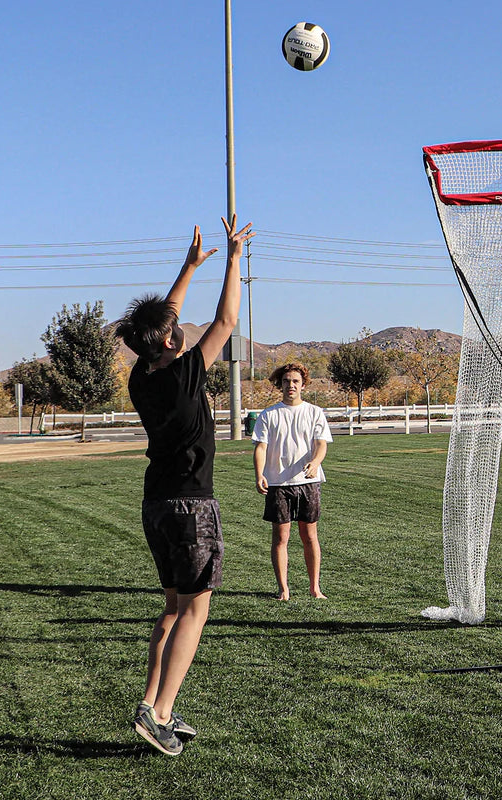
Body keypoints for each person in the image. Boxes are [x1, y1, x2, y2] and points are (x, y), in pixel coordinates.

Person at [115, 215, 255, 755]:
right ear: (173, 339)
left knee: (172, 606)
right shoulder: (186, 371)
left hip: (155, 504)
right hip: (191, 506)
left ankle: (151, 702)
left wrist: (190, 265)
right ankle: (163, 714)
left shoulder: (142, 374)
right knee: (196, 608)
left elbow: (164, 324)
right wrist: (234, 258)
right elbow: (226, 318)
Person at [252, 363, 333, 601]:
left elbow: (321, 444)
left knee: (310, 536)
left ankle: (315, 588)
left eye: (295, 381)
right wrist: (260, 474)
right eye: (286, 381)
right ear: (280, 384)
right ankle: (283, 589)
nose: (291, 385)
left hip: (308, 483)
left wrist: (316, 462)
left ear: (303, 384)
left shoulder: (314, 412)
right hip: (278, 484)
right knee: (281, 538)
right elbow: (261, 448)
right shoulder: (269, 415)